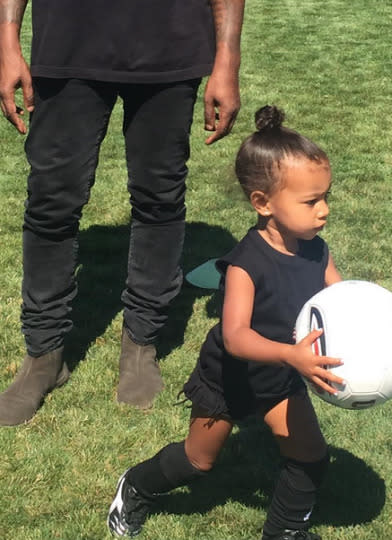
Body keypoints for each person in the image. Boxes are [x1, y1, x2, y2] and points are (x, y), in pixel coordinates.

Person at [0, 0, 245, 425]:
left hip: (170, 44)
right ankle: (43, 354)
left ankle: (141, 343)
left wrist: (228, 57)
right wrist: (7, 41)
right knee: (51, 202)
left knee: (159, 198)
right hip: (66, 45)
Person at [107, 105, 344, 540]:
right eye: (311, 201)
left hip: (281, 375)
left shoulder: (318, 251)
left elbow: (341, 302)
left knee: (311, 455)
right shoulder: (245, 264)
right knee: (198, 461)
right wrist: (292, 355)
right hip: (229, 378)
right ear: (263, 203)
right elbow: (235, 337)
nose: (324, 210)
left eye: (326, 196)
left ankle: (284, 532)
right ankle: (136, 486)